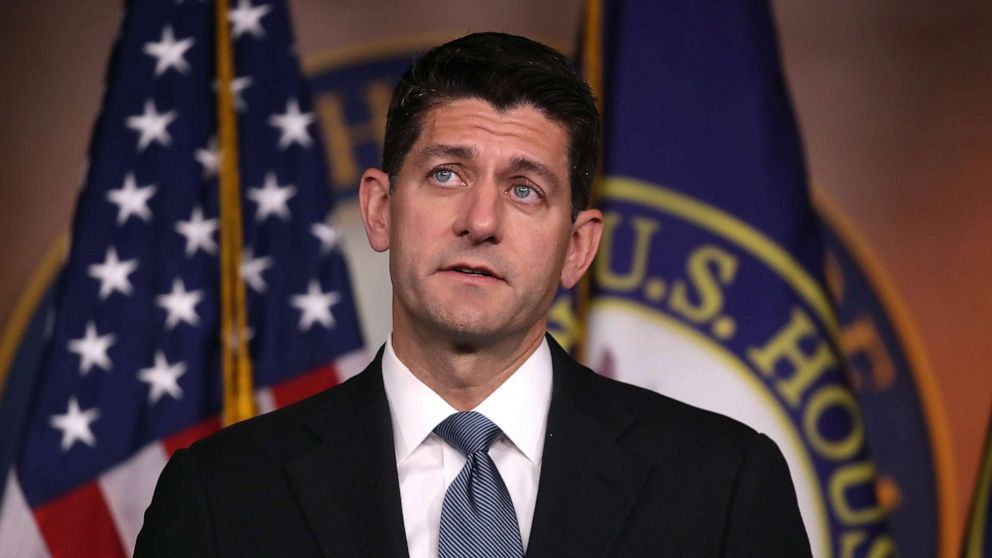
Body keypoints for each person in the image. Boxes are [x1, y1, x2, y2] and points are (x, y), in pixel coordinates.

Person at [135, 32, 811, 557]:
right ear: (379, 209)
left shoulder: (723, 488)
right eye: (447, 174)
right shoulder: (219, 497)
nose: (481, 222)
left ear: (577, 247)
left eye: (525, 189)